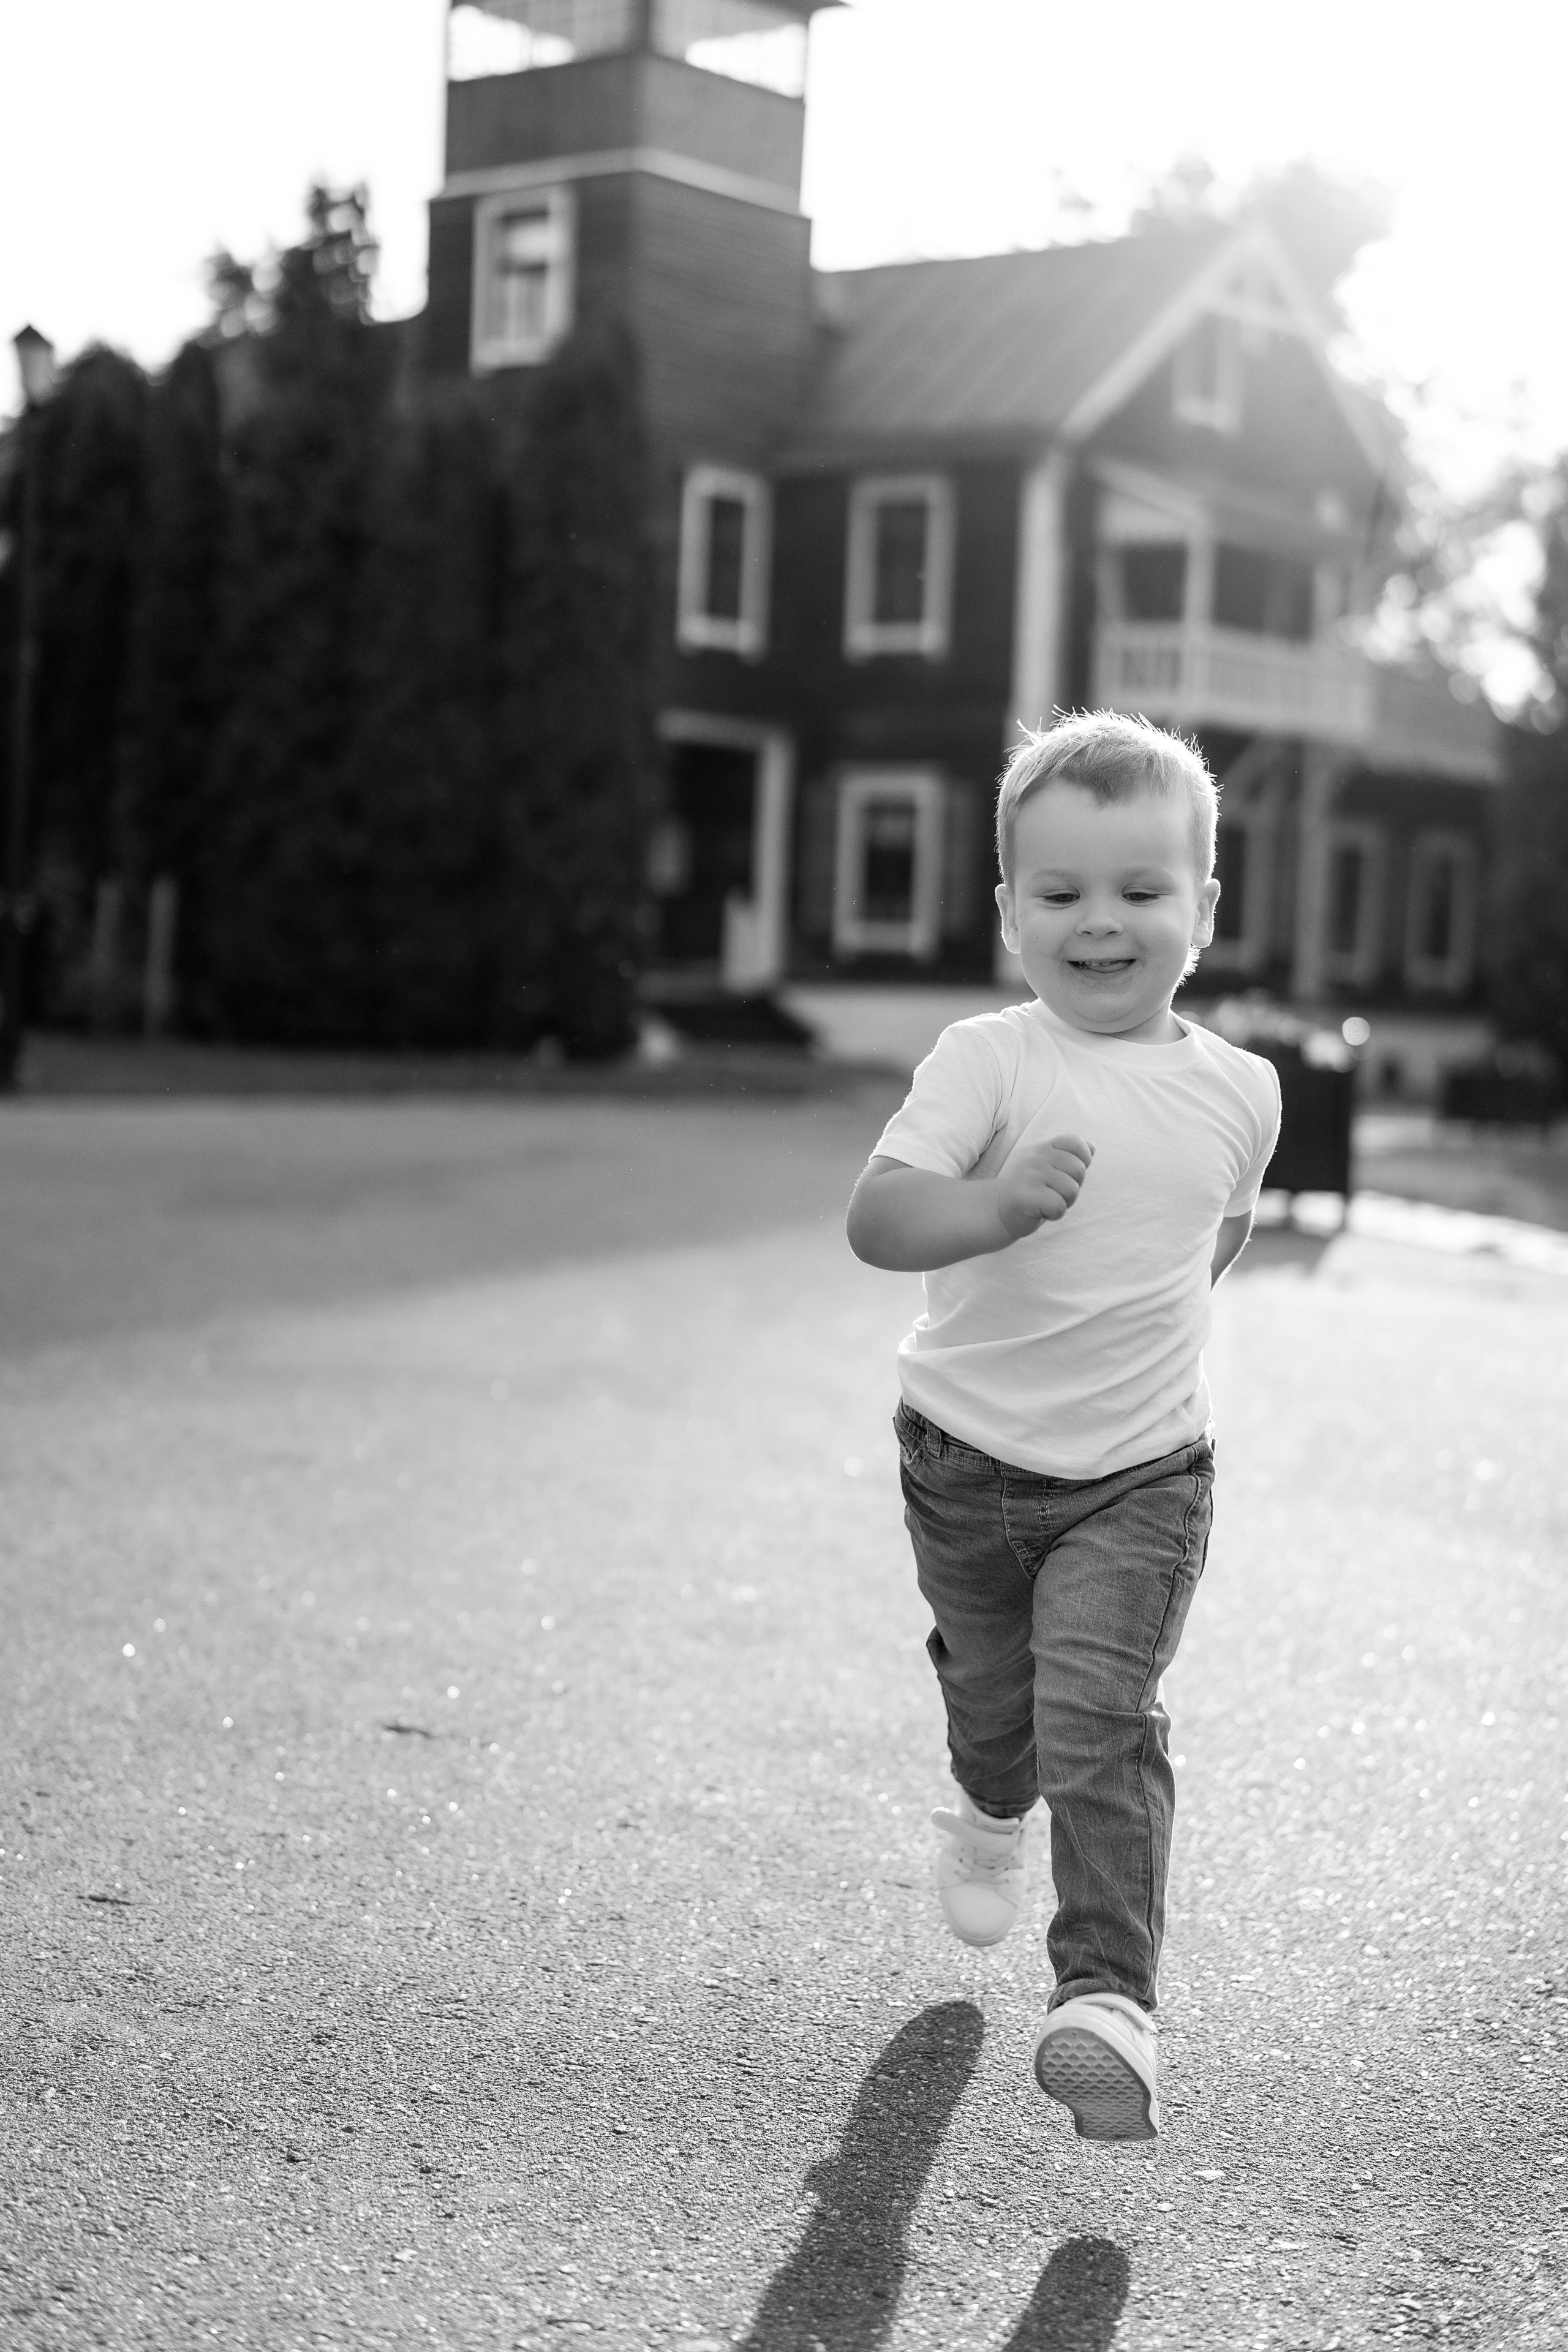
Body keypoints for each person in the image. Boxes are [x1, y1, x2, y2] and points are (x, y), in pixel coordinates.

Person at [845, 710, 1281, 2144]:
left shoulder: (1241, 1092)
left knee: (1099, 1717)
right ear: (1007, 914)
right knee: (1000, 1710)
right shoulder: (987, 1060)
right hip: (962, 1461)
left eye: (1140, 890)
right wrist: (996, 1206)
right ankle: (986, 1809)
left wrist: (1137, 1356)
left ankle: (1106, 2003)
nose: (1100, 922)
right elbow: (878, 1220)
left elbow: (1208, 1241)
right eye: (1061, 892)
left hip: (1139, 1478)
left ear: (1201, 910)